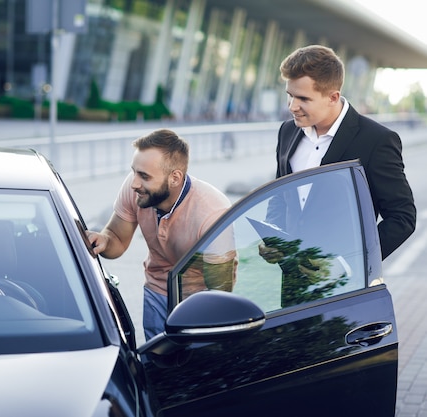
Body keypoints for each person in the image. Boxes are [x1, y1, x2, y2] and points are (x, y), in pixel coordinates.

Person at [260, 45, 416, 272]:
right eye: (290, 95)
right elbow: (281, 196)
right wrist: (274, 237)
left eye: (303, 98)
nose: (292, 106)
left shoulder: (377, 140)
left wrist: (350, 262)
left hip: (345, 285)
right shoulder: (287, 131)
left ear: (333, 97)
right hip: (293, 281)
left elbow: (402, 218)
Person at [87, 129, 237, 340]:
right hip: (156, 290)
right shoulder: (135, 190)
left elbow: (220, 291)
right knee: (155, 363)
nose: (134, 184)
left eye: (144, 176)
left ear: (174, 178)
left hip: (199, 299)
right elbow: (116, 239)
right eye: (135, 172)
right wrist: (104, 240)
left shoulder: (212, 212)